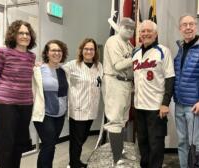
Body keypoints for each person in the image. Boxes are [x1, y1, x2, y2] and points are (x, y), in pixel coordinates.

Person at [0, 20, 36, 168]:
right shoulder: (3, 52)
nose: (24, 36)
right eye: (21, 33)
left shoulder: (31, 57)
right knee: (6, 146)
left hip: (26, 105)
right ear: (13, 35)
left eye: (27, 33)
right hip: (5, 105)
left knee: (19, 145)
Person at [173, 14, 199, 168]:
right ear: (180, 28)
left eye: (191, 24)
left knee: (196, 145)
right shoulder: (180, 49)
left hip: (194, 106)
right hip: (178, 104)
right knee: (183, 142)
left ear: (196, 27)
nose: (188, 27)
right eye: (185, 25)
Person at [132, 20, 175, 168]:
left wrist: (165, 103)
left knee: (156, 143)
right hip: (139, 105)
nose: (145, 34)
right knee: (142, 141)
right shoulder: (135, 53)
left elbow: (170, 78)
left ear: (155, 34)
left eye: (149, 31)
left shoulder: (163, 51)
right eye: (142, 31)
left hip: (156, 107)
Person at [63, 38, 103, 168]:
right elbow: (56, 70)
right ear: (81, 50)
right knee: (77, 139)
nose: (89, 51)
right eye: (86, 48)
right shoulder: (72, 65)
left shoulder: (99, 66)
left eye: (91, 49)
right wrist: (43, 65)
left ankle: (75, 161)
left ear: (95, 51)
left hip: (92, 109)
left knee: (83, 137)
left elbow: (101, 83)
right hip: (78, 109)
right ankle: (74, 163)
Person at [102, 17, 135, 167]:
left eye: (132, 28)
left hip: (126, 84)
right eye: (126, 27)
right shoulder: (113, 41)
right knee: (115, 119)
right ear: (120, 27)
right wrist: (137, 56)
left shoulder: (128, 43)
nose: (129, 30)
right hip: (114, 81)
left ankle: (119, 150)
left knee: (122, 119)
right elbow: (119, 65)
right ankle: (116, 158)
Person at [32, 40, 68, 168]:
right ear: (47, 53)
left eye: (59, 50)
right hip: (44, 114)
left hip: (60, 115)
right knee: (49, 144)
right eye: (53, 50)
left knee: (51, 145)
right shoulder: (38, 69)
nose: (56, 53)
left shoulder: (64, 71)